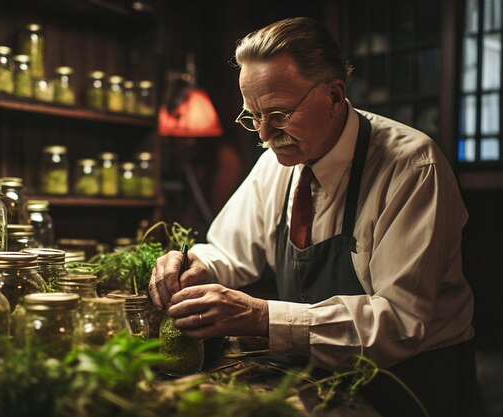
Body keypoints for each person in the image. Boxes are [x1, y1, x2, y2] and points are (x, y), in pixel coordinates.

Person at [149, 17, 481, 417]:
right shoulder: (278, 161)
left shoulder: (411, 167)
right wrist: (197, 266)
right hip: (314, 374)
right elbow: (230, 250)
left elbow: (399, 321)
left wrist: (260, 316)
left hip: (410, 381)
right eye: (251, 117)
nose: (265, 135)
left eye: (279, 115)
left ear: (335, 96)